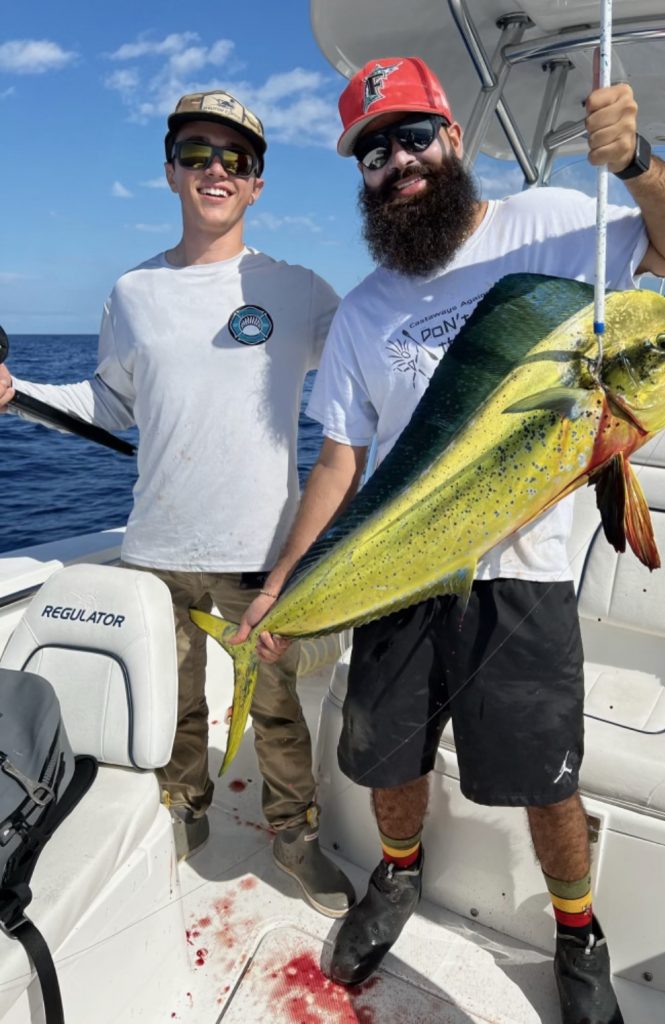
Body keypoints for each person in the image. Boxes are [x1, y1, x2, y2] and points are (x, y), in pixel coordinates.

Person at [233, 58, 665, 1022]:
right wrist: (279, 587)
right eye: (372, 152)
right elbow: (339, 462)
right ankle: (398, 879)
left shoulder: (551, 223)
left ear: (452, 138)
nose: (396, 161)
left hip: (523, 578)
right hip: (400, 573)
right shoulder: (367, 309)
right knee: (388, 762)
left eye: (412, 136)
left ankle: (576, 931)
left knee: (547, 781)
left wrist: (634, 162)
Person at [0, 90, 356, 919]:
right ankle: (182, 812)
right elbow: (109, 403)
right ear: (170, 172)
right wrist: (16, 394)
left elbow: (370, 378)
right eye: (196, 153)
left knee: (277, 713)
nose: (216, 170)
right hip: (159, 547)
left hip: (264, 554)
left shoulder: (298, 290)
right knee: (173, 705)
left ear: (258, 184)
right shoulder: (131, 294)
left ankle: (293, 835)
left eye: (236, 158)